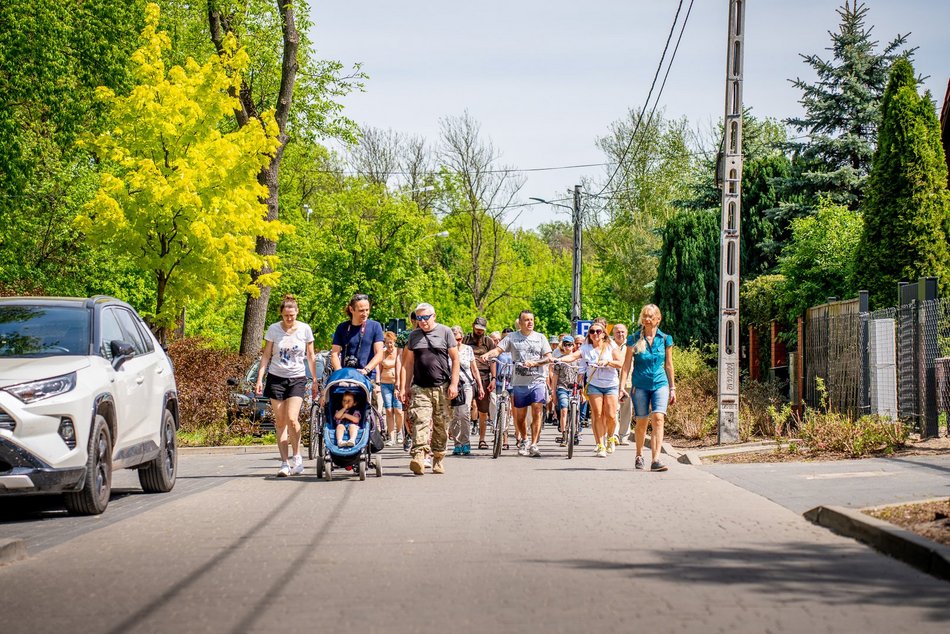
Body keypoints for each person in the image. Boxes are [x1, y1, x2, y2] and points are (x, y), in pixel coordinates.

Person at [255, 295, 318, 477]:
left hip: (297, 378)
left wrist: (315, 379)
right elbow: (266, 355)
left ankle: (297, 457)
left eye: (292, 315)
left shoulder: (305, 329)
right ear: (281, 314)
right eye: (286, 316)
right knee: (281, 421)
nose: (289, 319)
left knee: (292, 418)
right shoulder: (274, 329)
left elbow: (311, 356)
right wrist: (259, 379)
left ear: (297, 313)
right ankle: (284, 463)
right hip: (276, 377)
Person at [398, 303, 460, 475]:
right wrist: (404, 387)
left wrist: (454, 384)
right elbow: (408, 363)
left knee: (441, 426)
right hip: (420, 387)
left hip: (442, 387)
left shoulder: (445, 332)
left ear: (434, 316)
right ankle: (419, 456)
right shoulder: (413, 336)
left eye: (426, 317)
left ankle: (438, 458)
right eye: (419, 318)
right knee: (420, 421)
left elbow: (455, 359)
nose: (423, 321)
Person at [480, 310, 553, 458]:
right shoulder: (512, 337)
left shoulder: (540, 338)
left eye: (531, 319)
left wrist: (535, 363)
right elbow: (498, 350)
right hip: (519, 382)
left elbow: (548, 358)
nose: (530, 322)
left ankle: (534, 444)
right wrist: (488, 354)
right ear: (520, 323)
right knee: (519, 417)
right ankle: (524, 440)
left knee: (537, 409)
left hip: (537, 380)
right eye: (526, 320)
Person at [621, 304, 676, 472]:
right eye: (644, 316)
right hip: (640, 385)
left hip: (660, 384)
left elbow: (668, 365)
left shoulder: (665, 339)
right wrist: (621, 387)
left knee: (658, 418)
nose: (647, 319)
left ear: (658, 319)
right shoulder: (634, 338)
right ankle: (639, 455)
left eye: (650, 316)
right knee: (642, 421)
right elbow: (626, 365)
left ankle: (656, 459)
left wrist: (672, 387)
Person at [558, 320, 624, 458]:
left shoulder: (611, 345)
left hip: (611, 384)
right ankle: (600, 445)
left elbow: (620, 363)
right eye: (592, 331)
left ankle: (610, 438)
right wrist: (559, 359)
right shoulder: (586, 348)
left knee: (611, 415)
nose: (595, 334)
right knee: (597, 414)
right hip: (594, 384)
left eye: (598, 331)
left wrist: (608, 362)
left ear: (603, 334)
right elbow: (573, 356)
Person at [331, 293, 385, 378]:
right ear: (351, 309)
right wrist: (339, 372)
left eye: (367, 310)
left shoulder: (375, 326)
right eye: (361, 311)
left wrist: (366, 370)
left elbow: (379, 354)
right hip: (346, 376)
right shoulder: (342, 327)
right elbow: (334, 353)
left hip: (367, 376)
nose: (365, 313)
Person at [450, 325, 484, 455]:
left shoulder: (468, 349)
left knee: (464, 413)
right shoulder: (447, 350)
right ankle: (457, 443)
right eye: (454, 340)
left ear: (462, 338)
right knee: (454, 415)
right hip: (453, 385)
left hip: (466, 385)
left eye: (459, 339)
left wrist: (480, 386)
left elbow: (474, 369)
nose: (457, 342)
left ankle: (465, 442)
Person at [463, 317, 494, 450]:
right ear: (473, 326)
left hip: (484, 378)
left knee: (483, 411)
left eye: (482, 329)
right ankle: (464, 440)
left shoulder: (488, 341)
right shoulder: (465, 340)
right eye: (477, 329)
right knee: (464, 410)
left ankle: (482, 439)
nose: (479, 331)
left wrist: (494, 378)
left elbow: (493, 360)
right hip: (466, 378)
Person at [548, 335, 580, 446]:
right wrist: (553, 392)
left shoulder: (577, 360)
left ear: (573, 346)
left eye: (570, 344)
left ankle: (575, 431)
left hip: (574, 388)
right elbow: (555, 377)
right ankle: (564, 434)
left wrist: (582, 391)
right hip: (562, 387)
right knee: (564, 410)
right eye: (565, 344)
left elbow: (580, 376)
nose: (567, 347)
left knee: (576, 410)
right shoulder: (559, 360)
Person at [379, 331, 404, 446]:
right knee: (388, 410)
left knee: (398, 410)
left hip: (397, 384)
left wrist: (400, 384)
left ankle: (399, 432)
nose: (389, 345)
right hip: (385, 384)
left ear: (394, 342)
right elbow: (379, 368)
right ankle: (391, 437)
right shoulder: (382, 354)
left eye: (391, 343)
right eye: (387, 343)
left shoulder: (399, 352)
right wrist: (378, 383)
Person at [611, 323, 633, 445]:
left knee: (626, 410)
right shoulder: (609, 345)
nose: (620, 334)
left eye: (622, 332)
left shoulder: (631, 345)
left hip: (628, 382)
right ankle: (614, 434)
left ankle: (624, 436)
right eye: (617, 332)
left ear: (626, 333)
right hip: (612, 382)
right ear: (613, 333)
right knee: (614, 409)